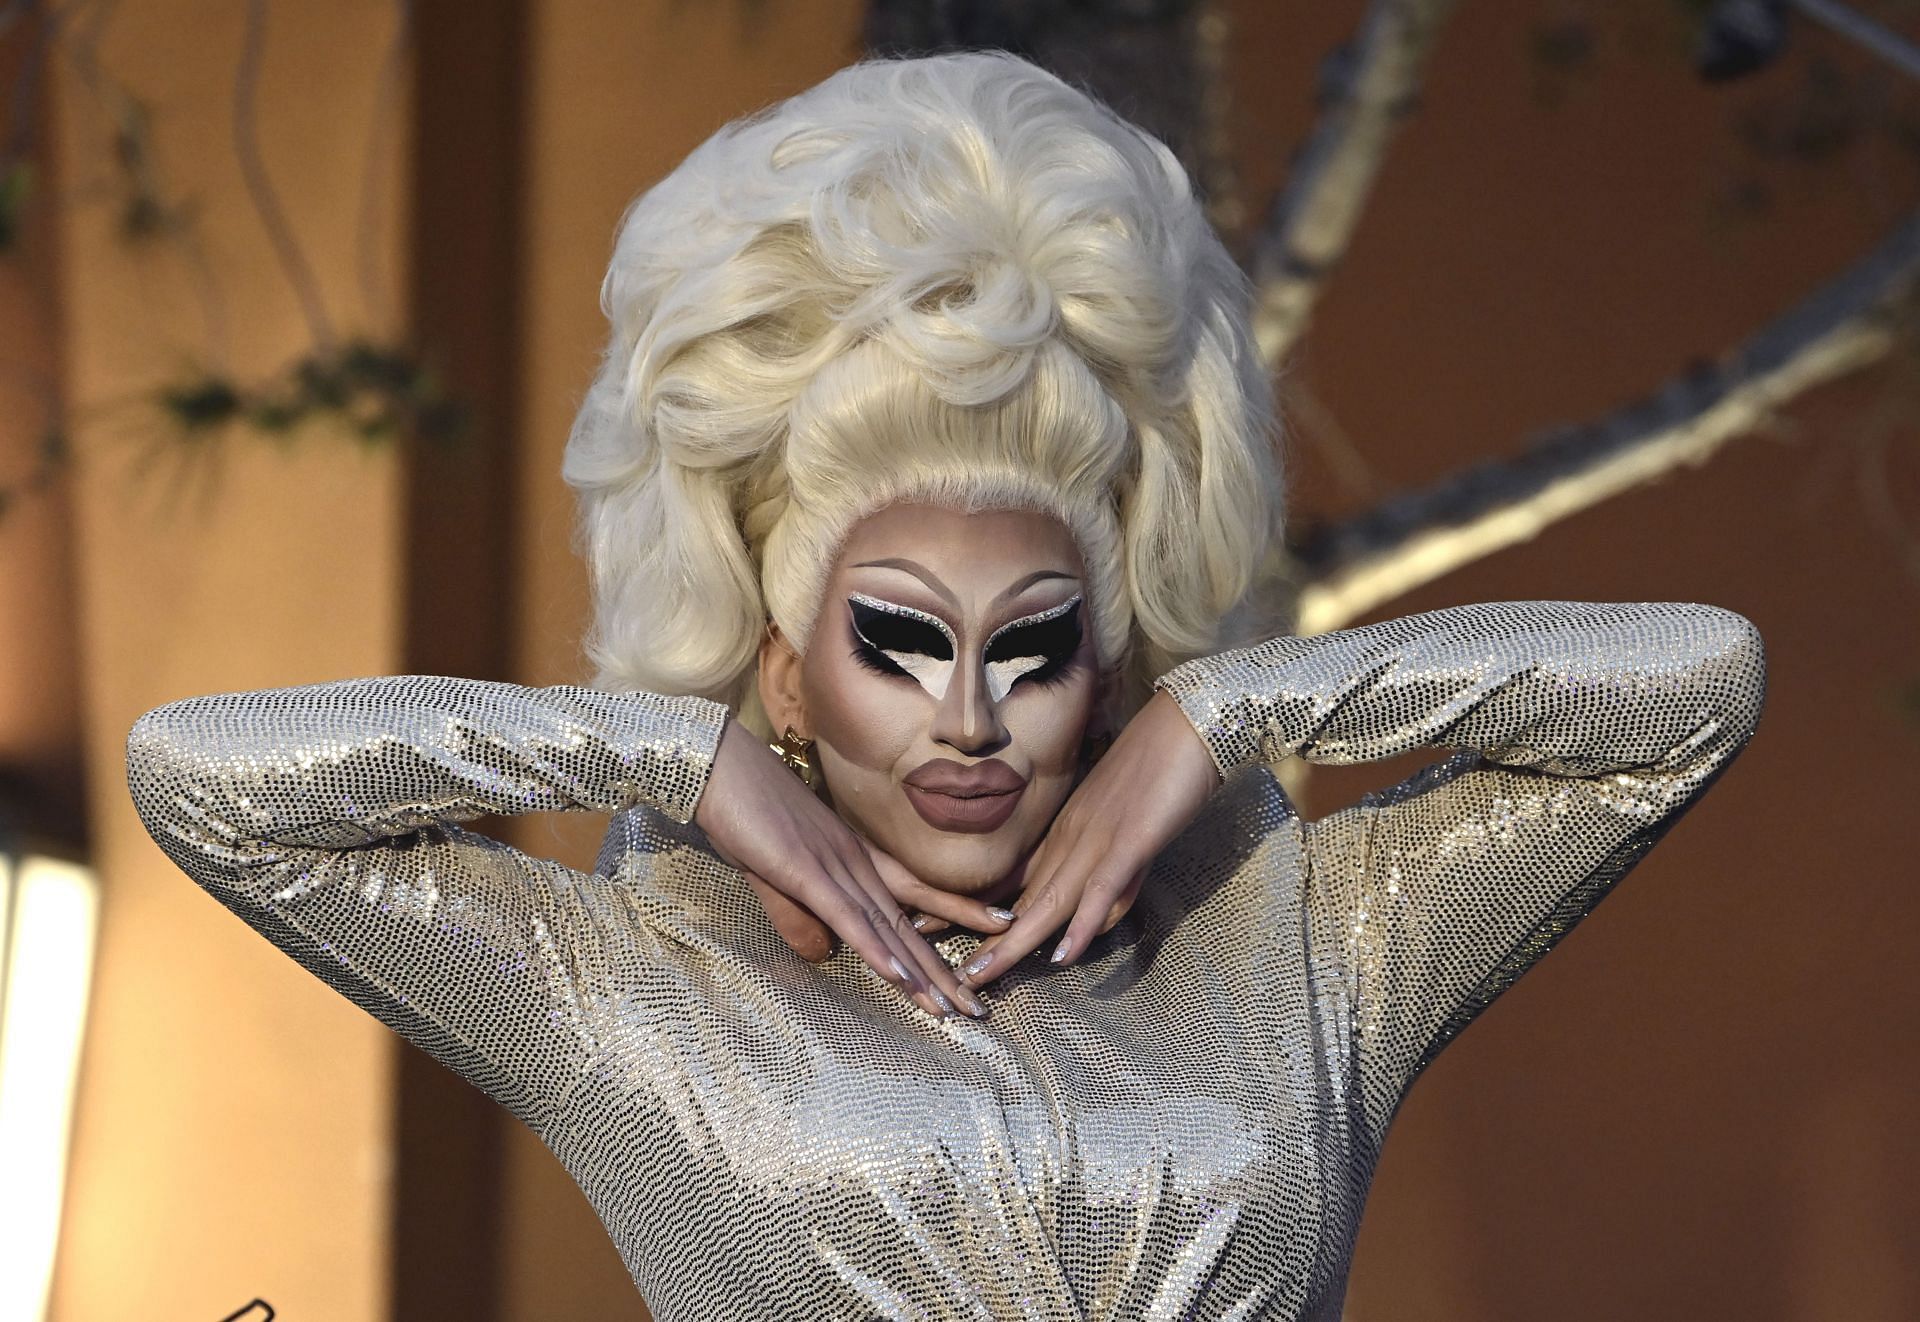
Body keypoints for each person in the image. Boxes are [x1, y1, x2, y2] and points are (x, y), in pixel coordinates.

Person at [126, 51, 1768, 1321]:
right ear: (786, 661)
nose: (970, 715)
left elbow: (1692, 687)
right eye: (896, 641)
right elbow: (205, 779)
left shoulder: (1308, 939)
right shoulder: (636, 987)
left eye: (1036, 646)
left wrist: (1232, 709)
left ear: (1105, 663)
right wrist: (674, 755)